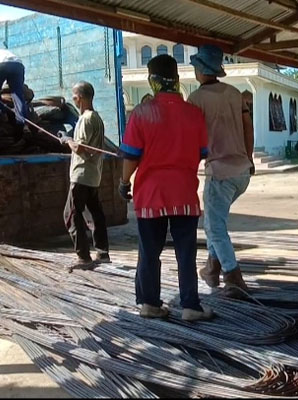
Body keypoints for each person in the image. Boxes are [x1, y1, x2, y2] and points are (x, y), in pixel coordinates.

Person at [118, 54, 213, 322]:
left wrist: (124, 183)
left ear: (152, 80)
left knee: (149, 251)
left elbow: (131, 157)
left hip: (150, 195)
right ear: (177, 79)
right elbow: (202, 151)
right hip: (184, 193)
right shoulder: (194, 113)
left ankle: (149, 303)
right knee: (186, 252)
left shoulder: (141, 113)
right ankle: (191, 306)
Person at [187, 44, 254, 299]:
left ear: (201, 70)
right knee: (216, 222)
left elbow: (192, 140)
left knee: (214, 227)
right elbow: (248, 127)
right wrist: (250, 158)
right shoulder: (235, 94)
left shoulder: (195, 100)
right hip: (241, 172)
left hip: (220, 171)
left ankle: (233, 278)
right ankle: (212, 269)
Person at [61, 81, 109, 269]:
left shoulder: (86, 119)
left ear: (79, 98)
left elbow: (80, 148)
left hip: (81, 174)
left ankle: (83, 257)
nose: (72, 99)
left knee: (71, 214)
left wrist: (66, 140)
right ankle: (102, 252)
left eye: (74, 95)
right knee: (95, 213)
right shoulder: (96, 118)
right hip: (93, 175)